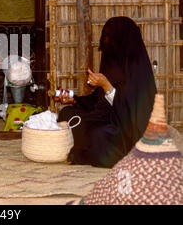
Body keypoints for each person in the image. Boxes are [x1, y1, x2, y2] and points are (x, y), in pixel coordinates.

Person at [56, 16, 157, 168]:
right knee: (68, 114)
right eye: (106, 36)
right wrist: (74, 100)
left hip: (128, 130)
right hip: (107, 119)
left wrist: (107, 86)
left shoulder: (137, 70)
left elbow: (134, 114)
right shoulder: (112, 62)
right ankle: (87, 149)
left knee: (99, 135)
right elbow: (98, 101)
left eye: (112, 38)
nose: (107, 42)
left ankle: (88, 153)